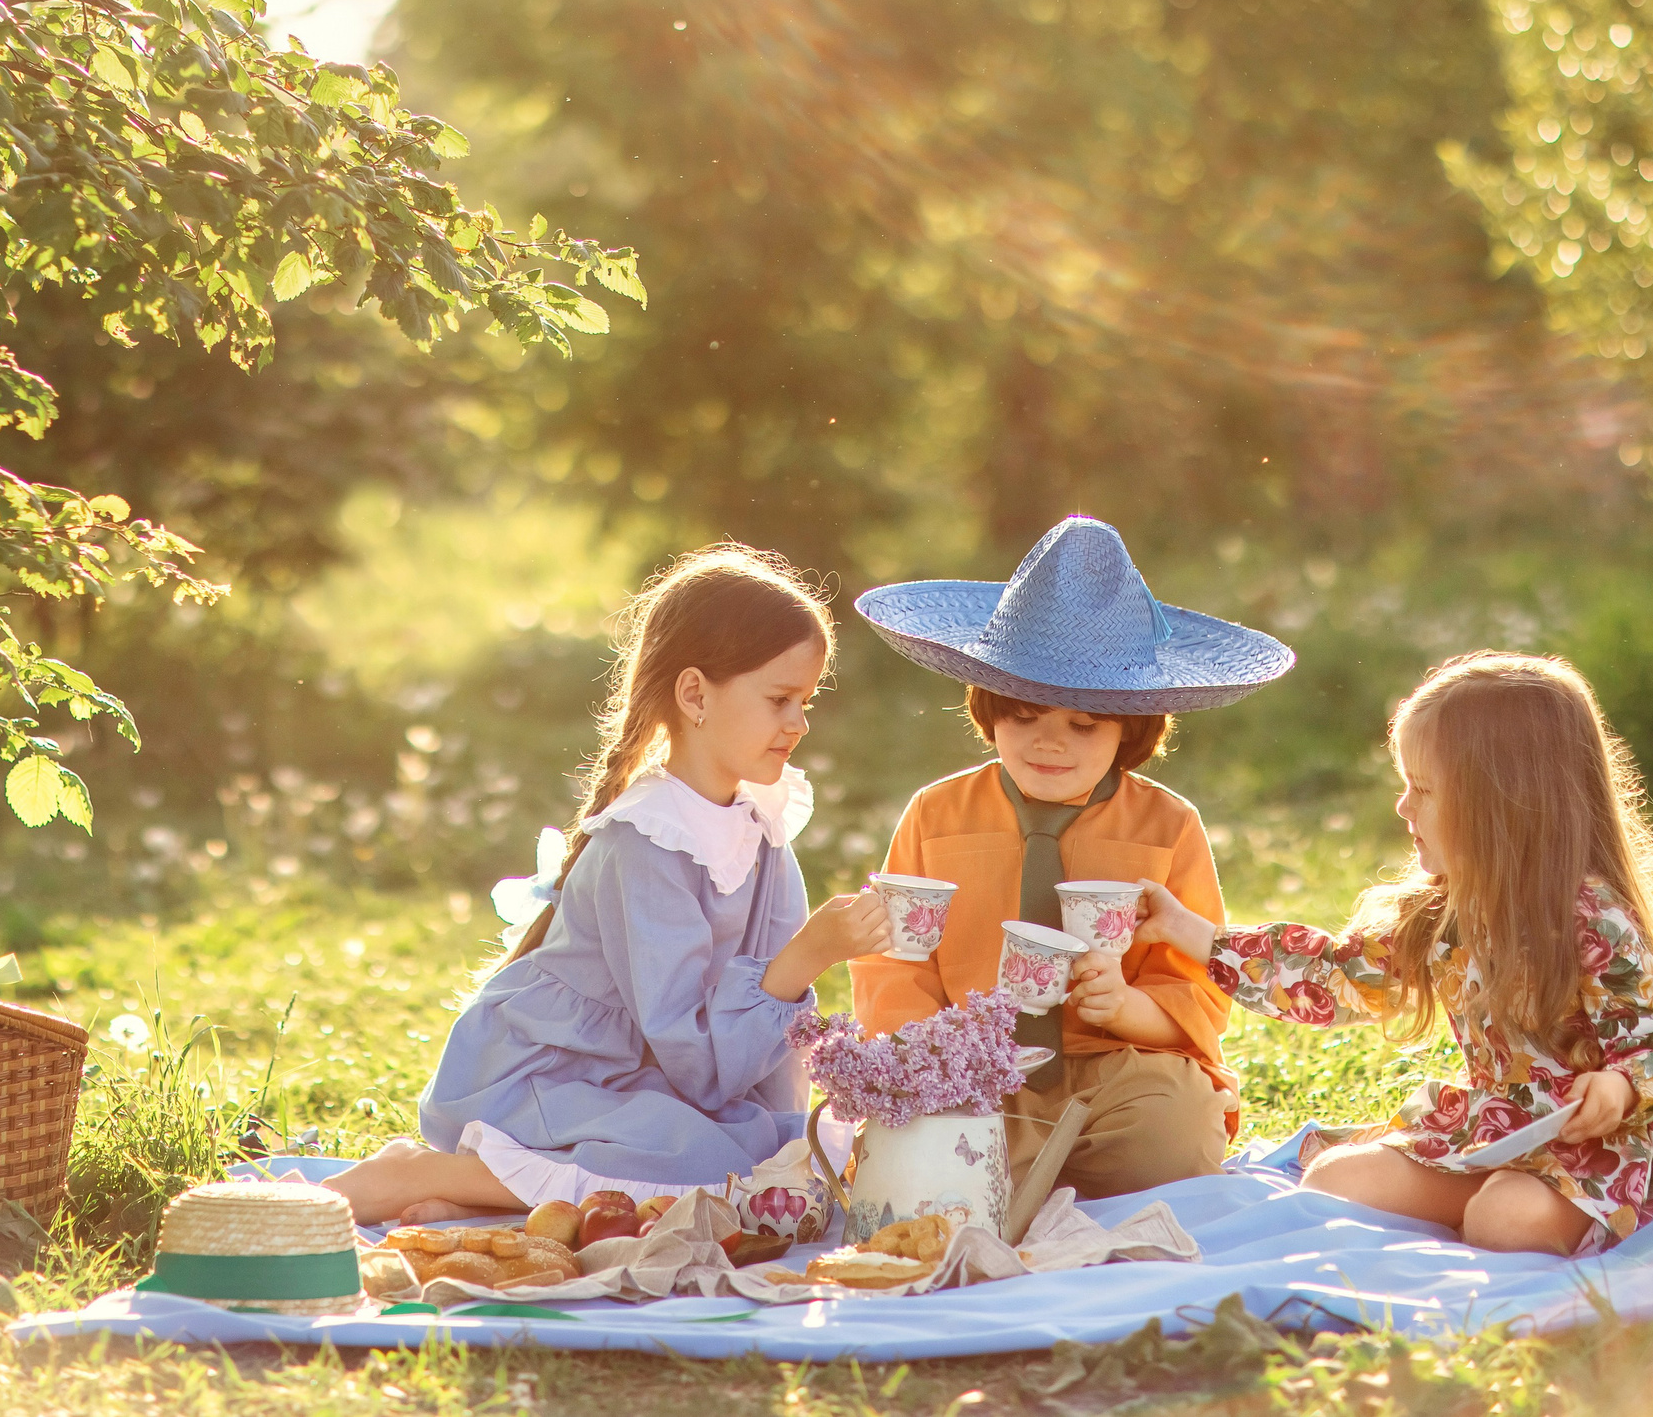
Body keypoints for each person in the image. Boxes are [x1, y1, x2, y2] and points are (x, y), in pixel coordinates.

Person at [328, 545, 890, 1225]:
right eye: (779, 699)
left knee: (784, 1162)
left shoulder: (762, 828)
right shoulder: (644, 842)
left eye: (805, 701)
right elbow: (700, 1063)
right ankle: (423, 1175)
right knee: (710, 1173)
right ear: (694, 695)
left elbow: (759, 1062)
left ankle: (485, 1189)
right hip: (547, 1080)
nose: (798, 723)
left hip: (653, 1082)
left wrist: (784, 1143)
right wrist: (807, 956)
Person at [1134, 651, 1653, 1255]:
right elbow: (1335, 976)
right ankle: (1479, 1206)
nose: (1404, 808)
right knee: (1333, 1180)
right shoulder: (1444, 913)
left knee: (1505, 1221)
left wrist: (1617, 1088)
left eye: (1424, 790)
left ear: (1502, 802)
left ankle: (1499, 1216)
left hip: (1600, 1150)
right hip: (1501, 1131)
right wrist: (1190, 932)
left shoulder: (1589, 917)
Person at [851, 517, 1296, 1200]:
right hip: (973, 1074)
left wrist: (1122, 1006)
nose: (1049, 742)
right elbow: (893, 963)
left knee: (1171, 1135)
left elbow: (1196, 988)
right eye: (1022, 716)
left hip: (1114, 1069)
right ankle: (1005, 1164)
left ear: (1134, 727)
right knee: (925, 1168)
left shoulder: (1167, 825)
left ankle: (1072, 1169)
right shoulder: (936, 815)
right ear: (987, 705)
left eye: (1083, 725)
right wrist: (934, 1059)